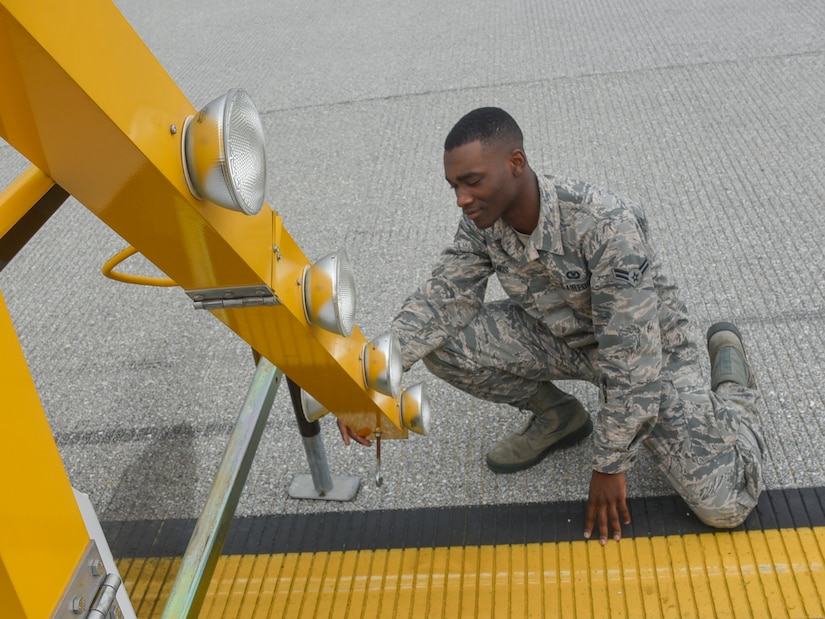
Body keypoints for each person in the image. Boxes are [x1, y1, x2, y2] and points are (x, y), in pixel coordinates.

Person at [340, 107, 766, 544]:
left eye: (472, 181)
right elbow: (442, 298)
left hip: (652, 357)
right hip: (567, 339)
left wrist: (610, 465)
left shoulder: (605, 225)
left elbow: (633, 361)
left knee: (726, 506)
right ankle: (560, 417)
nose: (461, 199)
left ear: (516, 163)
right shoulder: (481, 223)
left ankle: (733, 387)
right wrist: (371, 374)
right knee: (442, 345)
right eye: (454, 186)